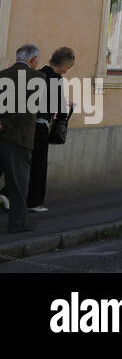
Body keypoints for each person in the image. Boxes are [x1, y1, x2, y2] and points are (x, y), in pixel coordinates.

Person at [28, 47, 75, 213]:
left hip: (27, 125)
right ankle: (34, 202)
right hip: (41, 126)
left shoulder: (37, 73)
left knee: (26, 163)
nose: (67, 72)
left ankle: (9, 194)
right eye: (68, 68)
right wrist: (67, 105)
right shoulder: (55, 79)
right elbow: (59, 108)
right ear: (63, 66)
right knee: (39, 165)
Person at [0, 44, 42, 233]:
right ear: (33, 60)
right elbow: (25, 109)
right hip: (18, 137)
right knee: (18, 184)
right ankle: (17, 223)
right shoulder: (37, 78)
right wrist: (6, 124)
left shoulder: (2, 75)